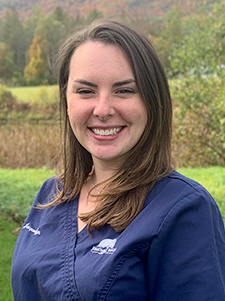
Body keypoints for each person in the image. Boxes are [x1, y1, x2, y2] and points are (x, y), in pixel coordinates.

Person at [11, 19, 225, 301]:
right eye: (85, 91)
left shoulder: (184, 211)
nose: (102, 109)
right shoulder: (52, 194)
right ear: (66, 100)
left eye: (124, 90)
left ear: (152, 100)